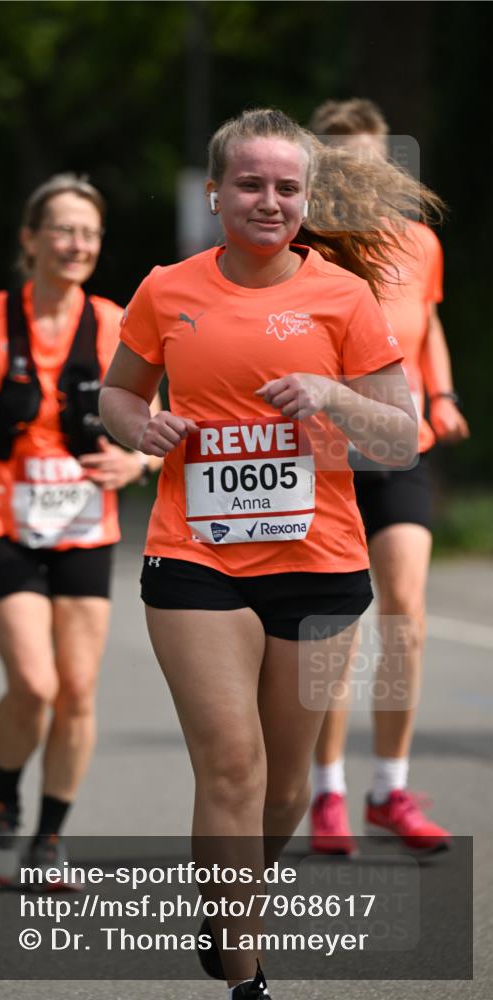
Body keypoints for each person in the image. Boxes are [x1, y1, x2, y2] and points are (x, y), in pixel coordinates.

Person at [99, 107, 443, 998]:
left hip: (319, 563)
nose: (268, 200)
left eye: (286, 187)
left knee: (283, 787)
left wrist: (331, 392)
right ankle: (246, 977)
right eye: (249, 184)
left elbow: (400, 438)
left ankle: (225, 907)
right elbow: (117, 395)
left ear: (305, 198)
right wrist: (145, 427)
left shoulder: (343, 296)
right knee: (231, 765)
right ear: (213, 193)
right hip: (195, 560)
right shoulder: (166, 289)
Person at [0, 174, 160, 883]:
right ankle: (3, 802)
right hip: (1, 516)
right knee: (34, 683)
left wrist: (134, 463)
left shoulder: (119, 321)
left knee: (78, 690)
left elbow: (158, 416)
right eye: (62, 229)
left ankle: (50, 836)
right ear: (29, 239)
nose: (77, 244)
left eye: (89, 233)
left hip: (87, 524)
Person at [304, 99, 469, 856]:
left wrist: (441, 394)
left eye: (371, 158)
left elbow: (425, 321)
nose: (359, 173)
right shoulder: (306, 248)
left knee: (403, 614)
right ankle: (328, 791)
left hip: (402, 446)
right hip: (324, 457)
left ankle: (389, 788)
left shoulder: (418, 242)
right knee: (334, 628)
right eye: (341, 162)